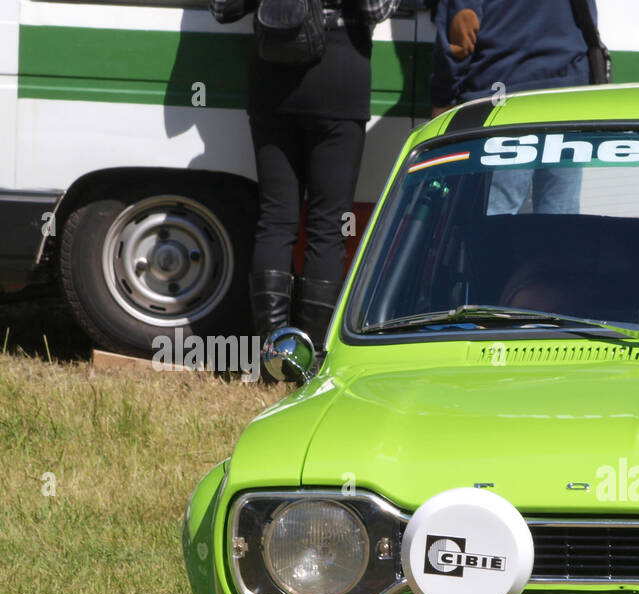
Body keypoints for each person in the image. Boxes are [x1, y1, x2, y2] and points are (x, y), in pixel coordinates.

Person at [209, 0, 399, 348]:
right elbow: (378, 9)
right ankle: (308, 357)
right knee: (328, 228)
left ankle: (273, 354)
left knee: (275, 220)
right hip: (340, 77)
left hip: (271, 79)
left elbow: (222, 9)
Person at [427, 0, 605, 215]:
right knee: (560, 213)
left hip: (503, 94)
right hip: (567, 90)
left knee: (496, 210)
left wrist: (442, 98)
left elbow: (460, 34)